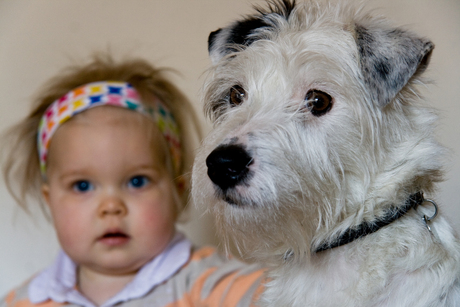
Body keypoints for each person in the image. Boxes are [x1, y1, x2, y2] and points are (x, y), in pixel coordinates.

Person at [1, 55, 265, 307]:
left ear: (177, 192)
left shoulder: (210, 283)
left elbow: (281, 296)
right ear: (50, 201)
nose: (111, 206)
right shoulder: (25, 301)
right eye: (82, 186)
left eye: (137, 181)